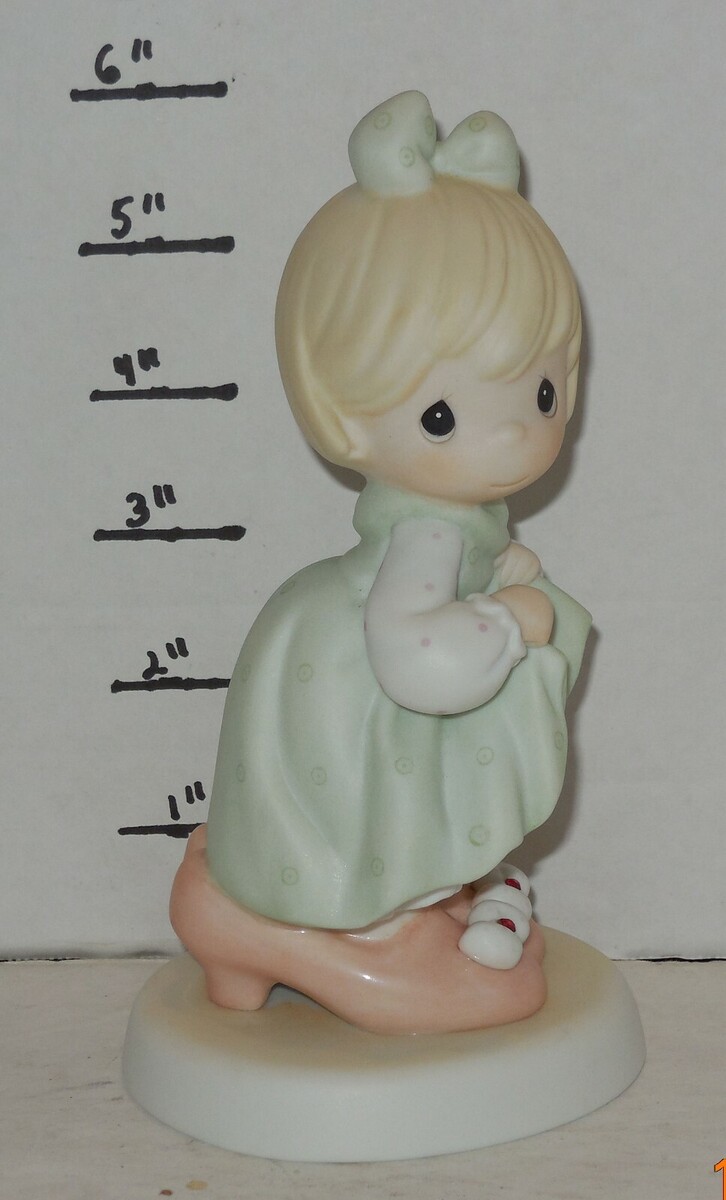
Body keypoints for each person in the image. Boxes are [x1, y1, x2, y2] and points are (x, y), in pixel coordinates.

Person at [170, 92, 591, 1034]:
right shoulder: (426, 539)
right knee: (372, 786)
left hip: (344, 655)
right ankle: (354, 919)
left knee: (383, 785)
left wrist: (502, 573)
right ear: (341, 414)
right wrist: (515, 621)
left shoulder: (452, 527)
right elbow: (422, 666)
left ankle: (318, 900)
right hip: (368, 676)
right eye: (444, 414)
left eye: (543, 391)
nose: (515, 434)